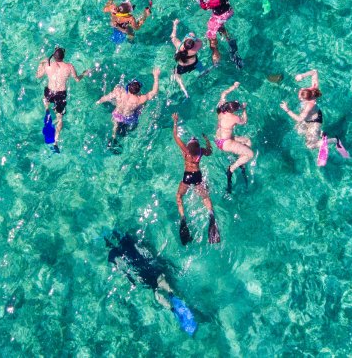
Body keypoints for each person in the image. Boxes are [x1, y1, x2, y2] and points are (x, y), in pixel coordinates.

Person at [105, 229, 198, 335]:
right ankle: (172, 301)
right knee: (160, 284)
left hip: (145, 275)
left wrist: (131, 280)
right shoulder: (126, 241)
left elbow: (123, 269)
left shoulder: (113, 253)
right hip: (149, 269)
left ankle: (172, 307)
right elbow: (141, 248)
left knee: (157, 290)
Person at [279, 69, 349, 166]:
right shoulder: (312, 89)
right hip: (309, 119)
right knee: (299, 131)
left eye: (301, 97)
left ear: (306, 99)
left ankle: (334, 140)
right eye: (301, 91)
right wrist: (302, 75)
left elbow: (300, 119)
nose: (299, 95)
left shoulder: (309, 105)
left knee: (310, 146)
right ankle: (320, 134)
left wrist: (287, 110)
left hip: (315, 122)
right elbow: (315, 72)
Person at [171, 113, 219, 245]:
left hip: (187, 176)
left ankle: (183, 218)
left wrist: (175, 121)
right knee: (205, 197)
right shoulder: (201, 151)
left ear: (189, 145)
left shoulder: (186, 151)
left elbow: (175, 136)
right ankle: (211, 215)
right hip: (197, 175)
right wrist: (207, 139)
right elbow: (210, 151)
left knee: (179, 196)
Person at [97, 68, 162, 140]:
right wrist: (156, 76)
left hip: (117, 114)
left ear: (128, 87)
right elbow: (154, 92)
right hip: (129, 118)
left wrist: (98, 102)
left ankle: (113, 137)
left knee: (115, 126)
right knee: (141, 107)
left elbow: (107, 97)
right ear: (138, 91)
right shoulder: (140, 99)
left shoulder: (119, 92)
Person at [35, 47, 84, 141]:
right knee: (60, 119)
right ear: (64, 56)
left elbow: (38, 76)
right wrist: (84, 74)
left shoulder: (48, 65)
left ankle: (47, 111)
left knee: (46, 102)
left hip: (50, 92)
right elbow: (77, 79)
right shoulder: (69, 66)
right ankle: (55, 142)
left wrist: (41, 63)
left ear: (53, 56)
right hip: (61, 94)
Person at [214, 82, 253, 194]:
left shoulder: (221, 109)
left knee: (247, 141)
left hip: (219, 139)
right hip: (226, 143)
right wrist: (244, 109)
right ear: (233, 111)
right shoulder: (234, 117)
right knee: (250, 154)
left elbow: (223, 93)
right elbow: (244, 121)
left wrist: (233, 87)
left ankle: (242, 162)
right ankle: (231, 169)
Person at [196, 0, 238, 66]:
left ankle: (215, 52)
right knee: (220, 27)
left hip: (219, 16)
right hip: (228, 11)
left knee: (211, 33)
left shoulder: (215, 1)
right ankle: (229, 39)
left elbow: (205, 7)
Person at [170, 20, 204, 98]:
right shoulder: (197, 46)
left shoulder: (178, 44)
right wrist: (194, 38)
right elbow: (199, 41)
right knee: (200, 68)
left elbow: (173, 36)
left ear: (184, 41)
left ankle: (184, 90)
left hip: (182, 67)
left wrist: (175, 24)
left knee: (177, 75)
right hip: (194, 63)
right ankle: (203, 73)